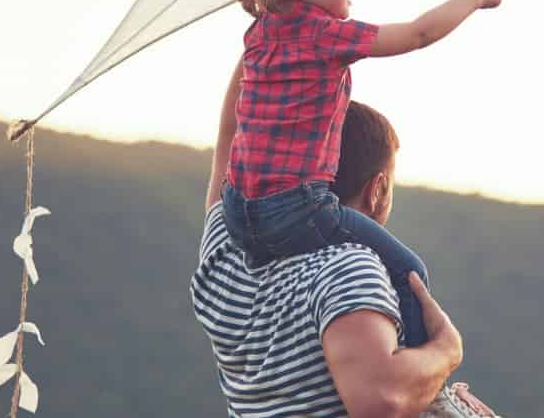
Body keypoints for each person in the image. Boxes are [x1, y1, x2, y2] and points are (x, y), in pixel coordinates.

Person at [222, 0, 514, 347]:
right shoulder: (325, 33)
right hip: (298, 208)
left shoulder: (259, 34)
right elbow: (418, 34)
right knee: (409, 273)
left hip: (237, 212)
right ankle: (422, 393)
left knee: (293, 276)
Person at [194, 100, 499, 417]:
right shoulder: (346, 266)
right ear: (376, 190)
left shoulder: (228, 253)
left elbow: (231, 132)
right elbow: (381, 402)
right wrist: (446, 350)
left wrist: (257, 52)